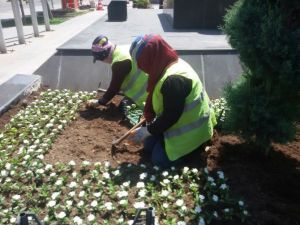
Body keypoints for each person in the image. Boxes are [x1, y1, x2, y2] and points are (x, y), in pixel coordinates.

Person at [128, 34, 217, 168]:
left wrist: (147, 131)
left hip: (193, 132)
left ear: (150, 59)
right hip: (185, 123)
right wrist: (149, 125)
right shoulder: (170, 63)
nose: (141, 68)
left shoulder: (173, 81)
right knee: (148, 145)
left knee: (158, 159)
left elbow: (171, 116)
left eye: (141, 63)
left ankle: (194, 151)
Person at [87, 35, 148, 109]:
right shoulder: (122, 49)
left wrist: (100, 102)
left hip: (143, 97)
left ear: (104, 56)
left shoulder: (119, 62)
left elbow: (114, 87)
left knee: (124, 109)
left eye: (100, 60)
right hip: (150, 88)